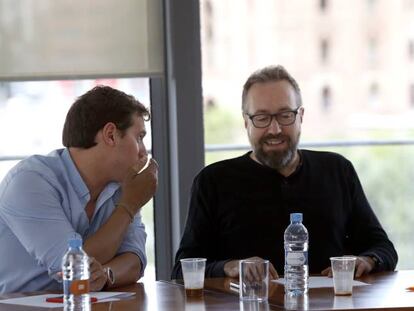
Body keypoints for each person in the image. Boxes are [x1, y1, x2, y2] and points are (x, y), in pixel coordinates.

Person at [171, 65, 398, 280]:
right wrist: (228, 267)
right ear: (245, 122)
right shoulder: (213, 181)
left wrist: (368, 260)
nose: (275, 129)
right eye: (261, 118)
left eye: (285, 115)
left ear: (301, 116)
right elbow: (182, 269)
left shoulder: (338, 170)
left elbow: (382, 248)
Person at [0, 86, 158, 293]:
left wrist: (106, 274)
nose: (143, 152)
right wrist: (129, 205)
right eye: (139, 137)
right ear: (110, 135)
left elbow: (135, 261)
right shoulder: (30, 182)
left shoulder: (121, 186)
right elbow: (74, 269)